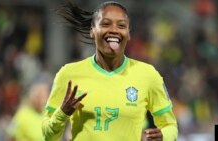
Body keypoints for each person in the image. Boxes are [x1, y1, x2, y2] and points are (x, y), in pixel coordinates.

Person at [42, 1, 178, 141]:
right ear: (92, 31)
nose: (114, 30)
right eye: (105, 24)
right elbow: (48, 136)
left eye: (121, 25)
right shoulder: (68, 75)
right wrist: (62, 113)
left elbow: (170, 126)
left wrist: (164, 137)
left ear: (128, 34)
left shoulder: (148, 75)